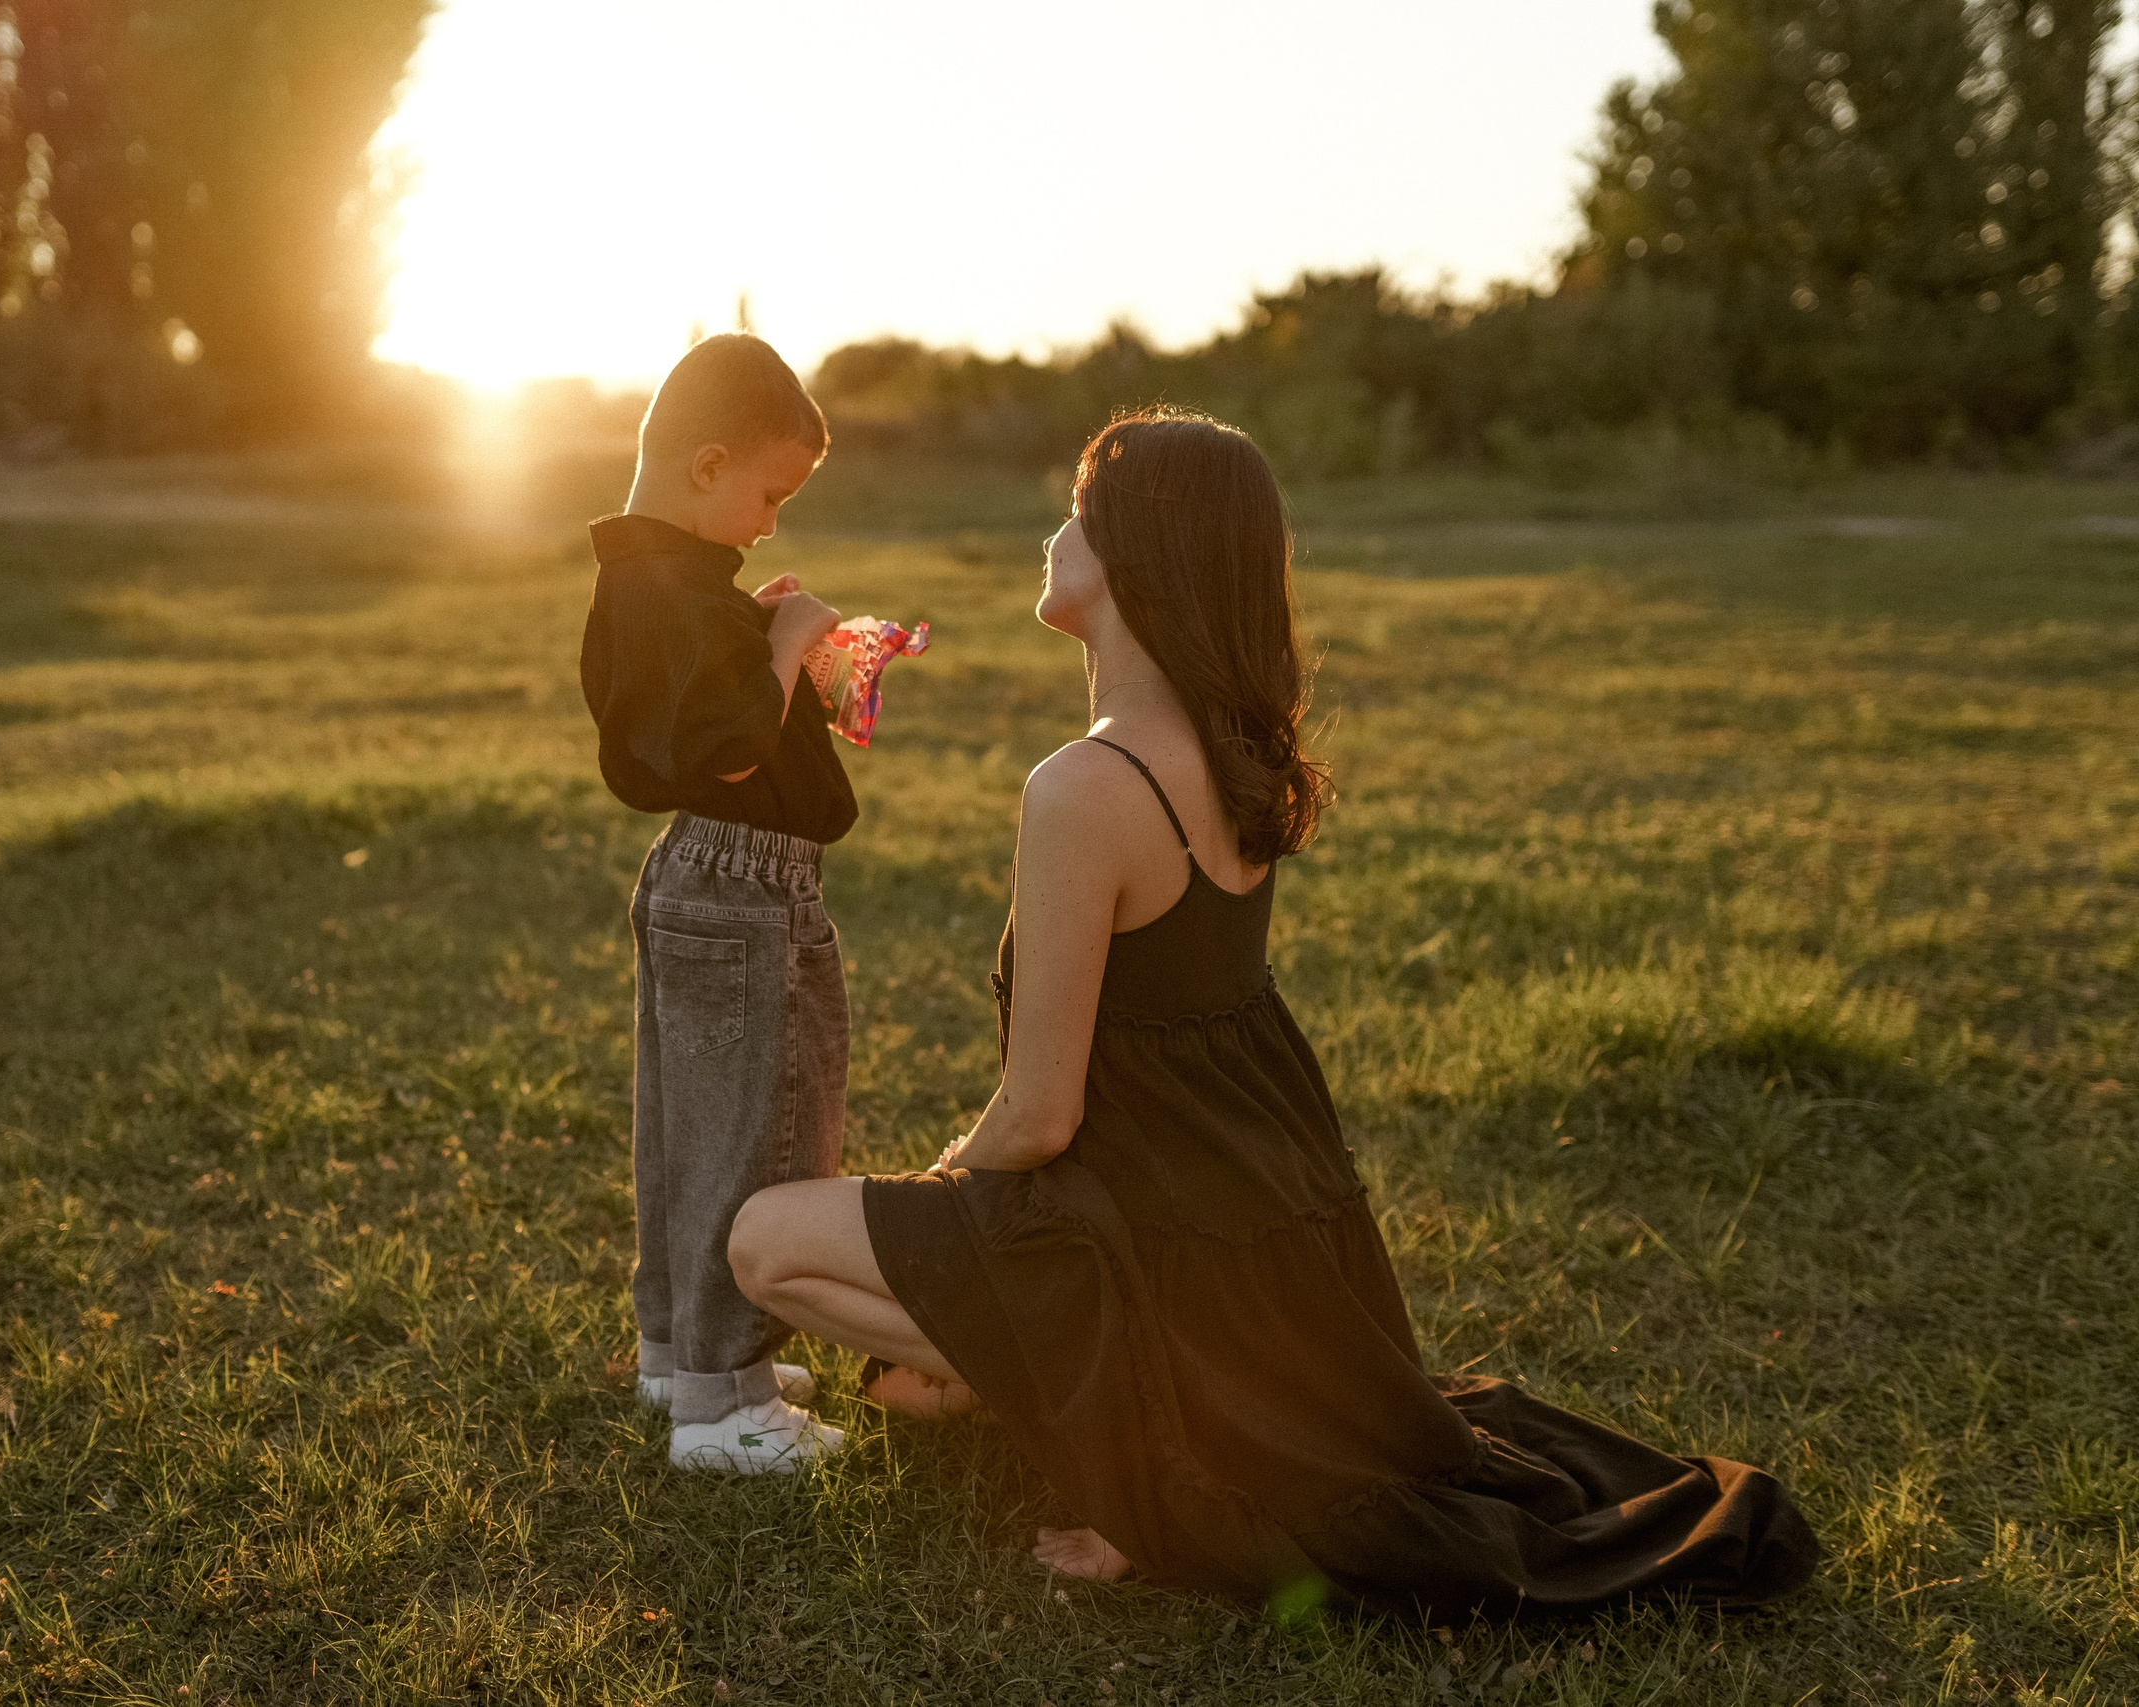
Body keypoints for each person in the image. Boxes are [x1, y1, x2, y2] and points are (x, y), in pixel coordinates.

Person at [727, 408, 1819, 1615]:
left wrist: (941, 1190)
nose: (1053, 533)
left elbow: (1038, 1117)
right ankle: (1070, 1377)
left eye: (1081, 514)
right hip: (1249, 1208)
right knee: (903, 1389)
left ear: (1139, 553)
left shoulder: (1085, 785)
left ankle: (1143, 1445)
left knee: (765, 1241)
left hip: (1137, 1223)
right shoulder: (1232, 745)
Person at [582, 334, 855, 1474]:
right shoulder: (675, 598)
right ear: (706, 464)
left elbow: (720, 718)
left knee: (689, 1131)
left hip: (706, 876)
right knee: (755, 1130)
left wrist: (772, 642)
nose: (769, 523)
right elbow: (731, 750)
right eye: (768, 493)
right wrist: (784, 643)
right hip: (739, 886)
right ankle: (726, 1401)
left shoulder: (664, 586)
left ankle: (677, 1351)